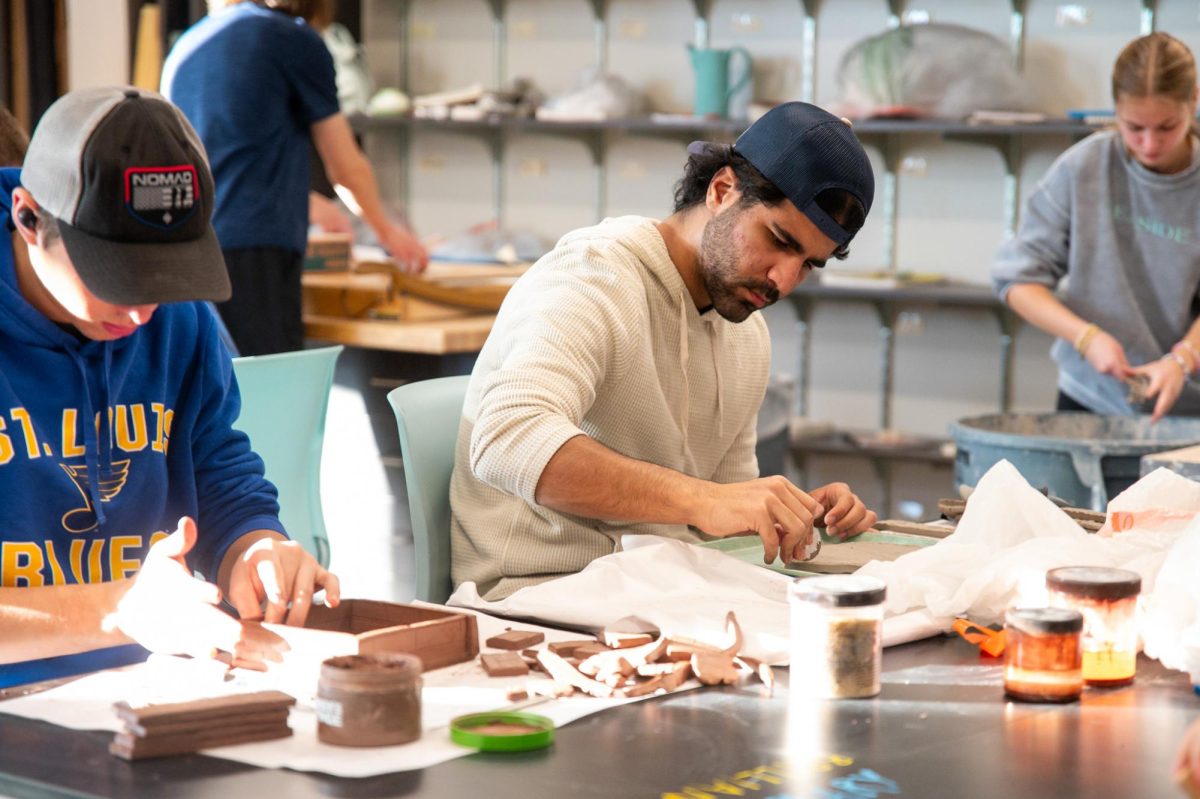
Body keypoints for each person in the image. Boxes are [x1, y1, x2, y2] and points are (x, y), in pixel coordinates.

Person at [450, 102, 879, 601]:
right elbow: (506, 438)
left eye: (809, 264)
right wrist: (701, 499)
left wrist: (792, 516)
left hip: (659, 594)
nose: (785, 280)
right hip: (533, 599)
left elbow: (724, 519)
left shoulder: (746, 332)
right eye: (779, 239)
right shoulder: (593, 276)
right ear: (722, 191)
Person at [0, 85, 340, 689]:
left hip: (158, 681)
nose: (141, 311)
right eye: (116, 274)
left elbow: (219, 474)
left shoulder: (177, 319)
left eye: (164, 274)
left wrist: (254, 548)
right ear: (28, 217)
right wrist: (121, 610)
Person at [161, 0, 428, 357]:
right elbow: (345, 167)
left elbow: (219, 155)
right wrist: (388, 232)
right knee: (270, 387)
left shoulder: (189, 44)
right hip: (252, 254)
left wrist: (306, 202)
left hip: (183, 247)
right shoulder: (291, 39)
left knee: (215, 392)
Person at [993, 32, 1200, 422]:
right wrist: (1086, 337)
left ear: (1194, 100)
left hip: (1187, 410)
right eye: (1134, 126)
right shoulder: (1083, 169)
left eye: (1167, 127)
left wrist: (1183, 358)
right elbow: (1016, 281)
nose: (1150, 143)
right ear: (1115, 110)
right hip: (1089, 400)